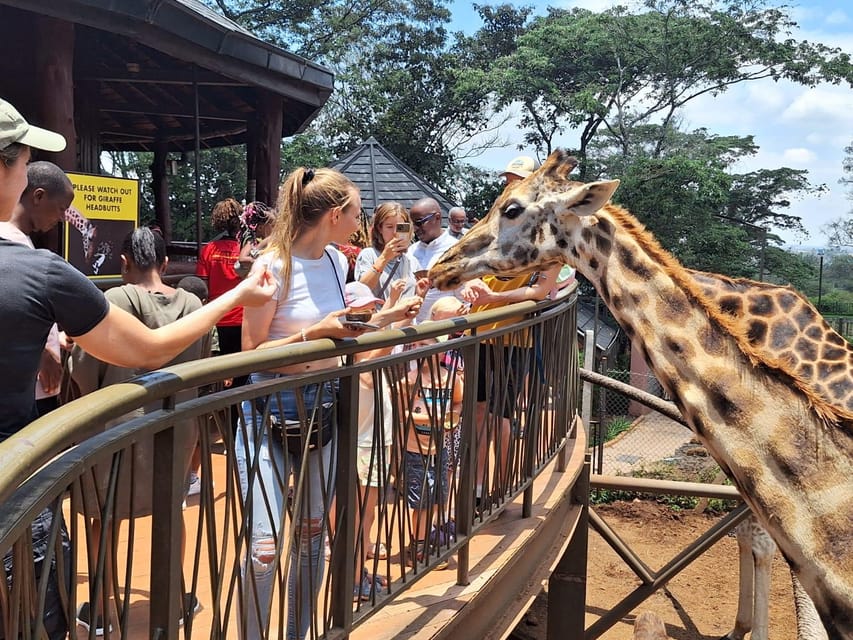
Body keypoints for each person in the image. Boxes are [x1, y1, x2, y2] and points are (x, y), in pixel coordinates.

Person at [0, 97, 274, 639]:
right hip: (17, 487)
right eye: (23, 156)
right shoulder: (38, 273)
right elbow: (149, 349)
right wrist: (240, 293)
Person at [239, 166, 421, 639]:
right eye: (358, 214)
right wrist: (312, 334)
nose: (360, 224)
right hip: (268, 410)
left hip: (322, 408)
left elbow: (344, 333)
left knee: (312, 533)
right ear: (336, 214)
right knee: (263, 545)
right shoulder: (271, 265)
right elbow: (250, 353)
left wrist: (388, 318)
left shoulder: (338, 263)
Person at [70, 226, 210, 633]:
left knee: (103, 514)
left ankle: (100, 609)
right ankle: (174, 597)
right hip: (177, 426)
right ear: (166, 264)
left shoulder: (111, 301)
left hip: (118, 431)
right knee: (173, 508)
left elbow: (83, 369)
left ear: (124, 263)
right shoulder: (193, 304)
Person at [0, 161, 74, 416]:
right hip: (26, 389)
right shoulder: (9, 243)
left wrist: (56, 339)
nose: (63, 217)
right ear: (39, 196)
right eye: (61, 208)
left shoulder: (23, 241)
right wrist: (43, 353)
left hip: (36, 384)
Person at [399, 336, 463, 569]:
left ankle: (425, 540)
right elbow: (400, 413)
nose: (419, 350)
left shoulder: (451, 379)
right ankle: (418, 546)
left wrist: (453, 417)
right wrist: (427, 418)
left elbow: (458, 402)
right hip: (416, 448)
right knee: (421, 501)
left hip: (441, 446)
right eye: (416, 345)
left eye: (425, 346)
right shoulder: (411, 379)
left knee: (437, 497)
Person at [196, 197, 248, 433]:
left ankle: (220, 427)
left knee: (218, 377)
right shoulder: (245, 252)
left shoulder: (208, 251)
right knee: (242, 374)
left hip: (218, 320)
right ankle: (240, 428)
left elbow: (203, 288)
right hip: (244, 319)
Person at [406, 198, 459, 323]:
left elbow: (464, 299)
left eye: (419, 223)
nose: (415, 229)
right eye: (412, 224)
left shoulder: (455, 249)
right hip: (413, 332)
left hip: (444, 331)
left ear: (437, 217)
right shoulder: (411, 251)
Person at [354, 201, 421, 299]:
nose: (394, 232)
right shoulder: (368, 255)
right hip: (381, 313)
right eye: (389, 227)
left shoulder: (411, 261)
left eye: (400, 227)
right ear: (380, 228)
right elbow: (362, 290)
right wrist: (384, 258)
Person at [235, 200, 275, 278]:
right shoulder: (251, 240)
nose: (274, 229)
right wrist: (261, 261)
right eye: (272, 226)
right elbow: (242, 259)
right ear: (260, 228)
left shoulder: (259, 240)